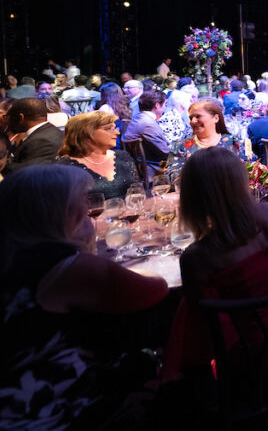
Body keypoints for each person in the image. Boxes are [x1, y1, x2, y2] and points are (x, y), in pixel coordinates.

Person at [0, 165, 169, 426]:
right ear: (59, 211)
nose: (88, 208)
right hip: (47, 409)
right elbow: (158, 289)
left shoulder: (15, 258)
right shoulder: (65, 267)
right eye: (81, 201)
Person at [164, 147, 268, 381]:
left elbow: (205, 341)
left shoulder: (197, 259)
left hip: (259, 366)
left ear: (192, 198)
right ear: (242, 181)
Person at [55, 111, 140, 199]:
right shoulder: (66, 167)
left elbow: (138, 192)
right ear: (86, 133)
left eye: (114, 128)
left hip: (131, 211)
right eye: (108, 128)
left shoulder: (122, 157)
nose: (117, 133)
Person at [4, 98, 65, 174]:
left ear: (20, 118)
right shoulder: (47, 131)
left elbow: (27, 170)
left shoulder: (42, 140)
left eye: (9, 117)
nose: (8, 122)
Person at [173, 101, 243, 160]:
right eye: (191, 118)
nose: (193, 121)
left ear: (215, 118)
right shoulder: (180, 146)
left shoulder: (234, 142)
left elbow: (247, 169)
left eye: (198, 116)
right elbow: (172, 174)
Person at [123, 89, 171, 174]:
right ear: (157, 105)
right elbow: (165, 152)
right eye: (164, 104)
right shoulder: (148, 124)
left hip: (141, 165)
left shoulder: (139, 118)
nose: (165, 107)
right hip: (152, 168)